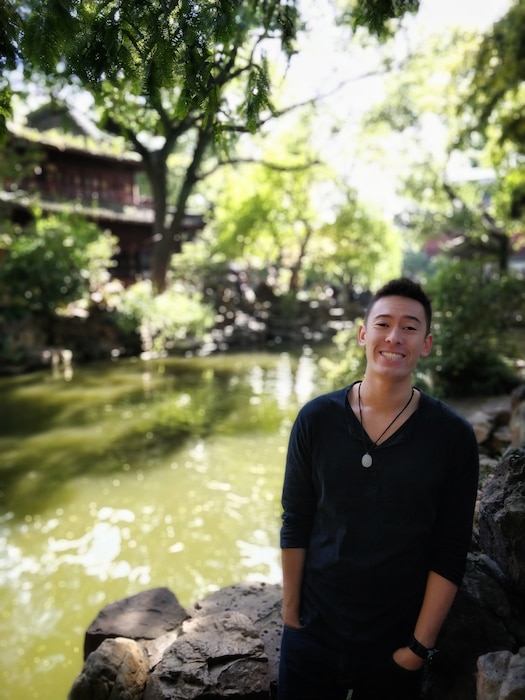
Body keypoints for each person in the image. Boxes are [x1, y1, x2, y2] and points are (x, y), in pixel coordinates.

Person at [278, 278, 479, 700]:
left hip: (395, 643)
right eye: (383, 323)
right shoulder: (315, 420)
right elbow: (296, 520)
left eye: (409, 327)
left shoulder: (452, 438)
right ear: (362, 335)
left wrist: (418, 648)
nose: (394, 336)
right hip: (312, 635)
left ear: (425, 343)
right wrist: (291, 613)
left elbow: (451, 547)